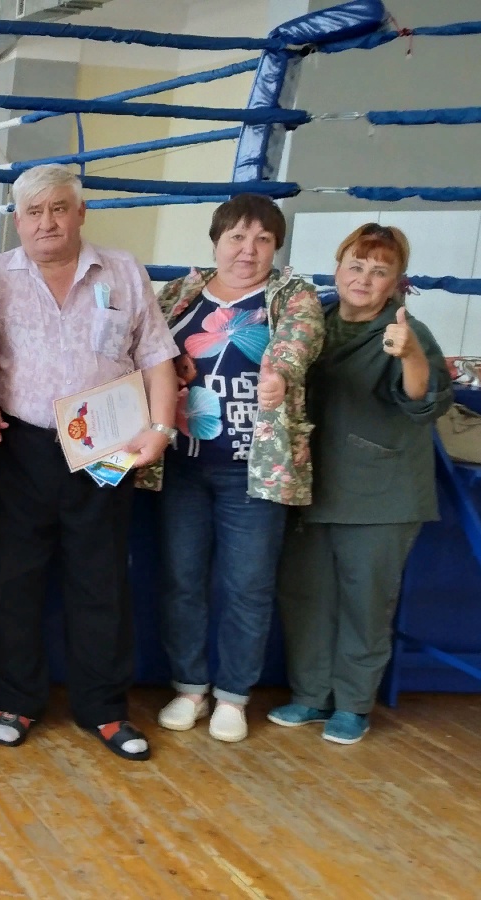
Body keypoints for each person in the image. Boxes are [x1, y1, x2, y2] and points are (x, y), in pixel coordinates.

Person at [0, 163, 178, 762]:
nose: (47, 222)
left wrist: (160, 429)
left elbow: (157, 356)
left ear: (80, 213)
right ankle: (14, 701)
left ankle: (105, 709)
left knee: (101, 580)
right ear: (17, 221)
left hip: (104, 446)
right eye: (34, 212)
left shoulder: (124, 270)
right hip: (16, 444)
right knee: (10, 580)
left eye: (59, 208)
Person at [138, 194, 324, 743]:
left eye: (263, 239)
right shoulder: (180, 292)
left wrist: (279, 376)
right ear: (216, 241)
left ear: (276, 247)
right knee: (182, 581)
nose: (248, 249)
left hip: (255, 471)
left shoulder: (293, 295)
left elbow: (299, 342)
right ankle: (189, 687)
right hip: (182, 465)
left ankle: (233, 696)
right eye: (237, 237)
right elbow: (144, 350)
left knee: (248, 587)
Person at [269, 223, 452, 745]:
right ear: (337, 268)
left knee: (365, 603)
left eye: (379, 271)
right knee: (305, 596)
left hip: (380, 496)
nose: (364, 279)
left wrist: (410, 354)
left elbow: (424, 402)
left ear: (396, 282)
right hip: (311, 487)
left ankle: (352, 704)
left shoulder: (407, 332)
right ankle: (310, 695)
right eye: (356, 265)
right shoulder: (314, 321)